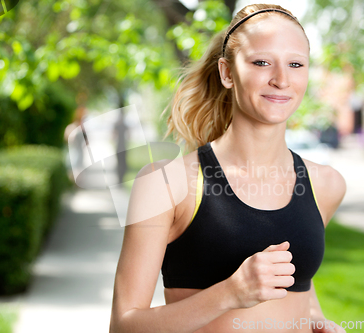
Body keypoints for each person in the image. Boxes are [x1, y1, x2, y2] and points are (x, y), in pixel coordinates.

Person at [110, 4, 347, 333]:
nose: (281, 80)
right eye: (261, 62)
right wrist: (231, 293)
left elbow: (300, 287)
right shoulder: (166, 184)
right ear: (226, 73)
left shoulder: (326, 185)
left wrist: (317, 321)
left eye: (295, 64)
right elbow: (124, 326)